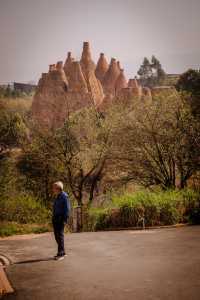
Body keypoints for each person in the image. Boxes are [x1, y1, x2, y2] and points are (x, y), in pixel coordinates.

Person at [52, 181, 71, 261]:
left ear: (58, 188)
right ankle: (62, 252)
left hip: (60, 218)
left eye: (54, 188)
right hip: (56, 218)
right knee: (57, 236)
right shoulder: (58, 196)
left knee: (60, 236)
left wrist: (65, 220)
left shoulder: (64, 196)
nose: (53, 189)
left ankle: (61, 254)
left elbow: (67, 209)